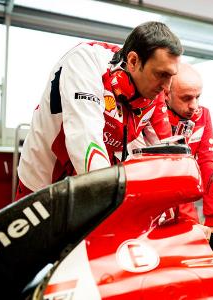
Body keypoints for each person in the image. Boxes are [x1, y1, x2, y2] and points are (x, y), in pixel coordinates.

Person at [16, 22, 183, 199]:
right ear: (133, 61)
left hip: (94, 180)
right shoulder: (86, 61)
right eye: (162, 74)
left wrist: (187, 220)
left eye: (171, 76)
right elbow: (85, 137)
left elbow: (168, 155)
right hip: (44, 180)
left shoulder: (152, 90)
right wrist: (110, 200)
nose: (167, 87)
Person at [165, 63, 213, 237]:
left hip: (184, 202)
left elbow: (208, 165)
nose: (194, 105)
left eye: (198, 96)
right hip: (154, 201)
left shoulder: (202, 115)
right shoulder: (151, 111)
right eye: (186, 98)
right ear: (166, 94)